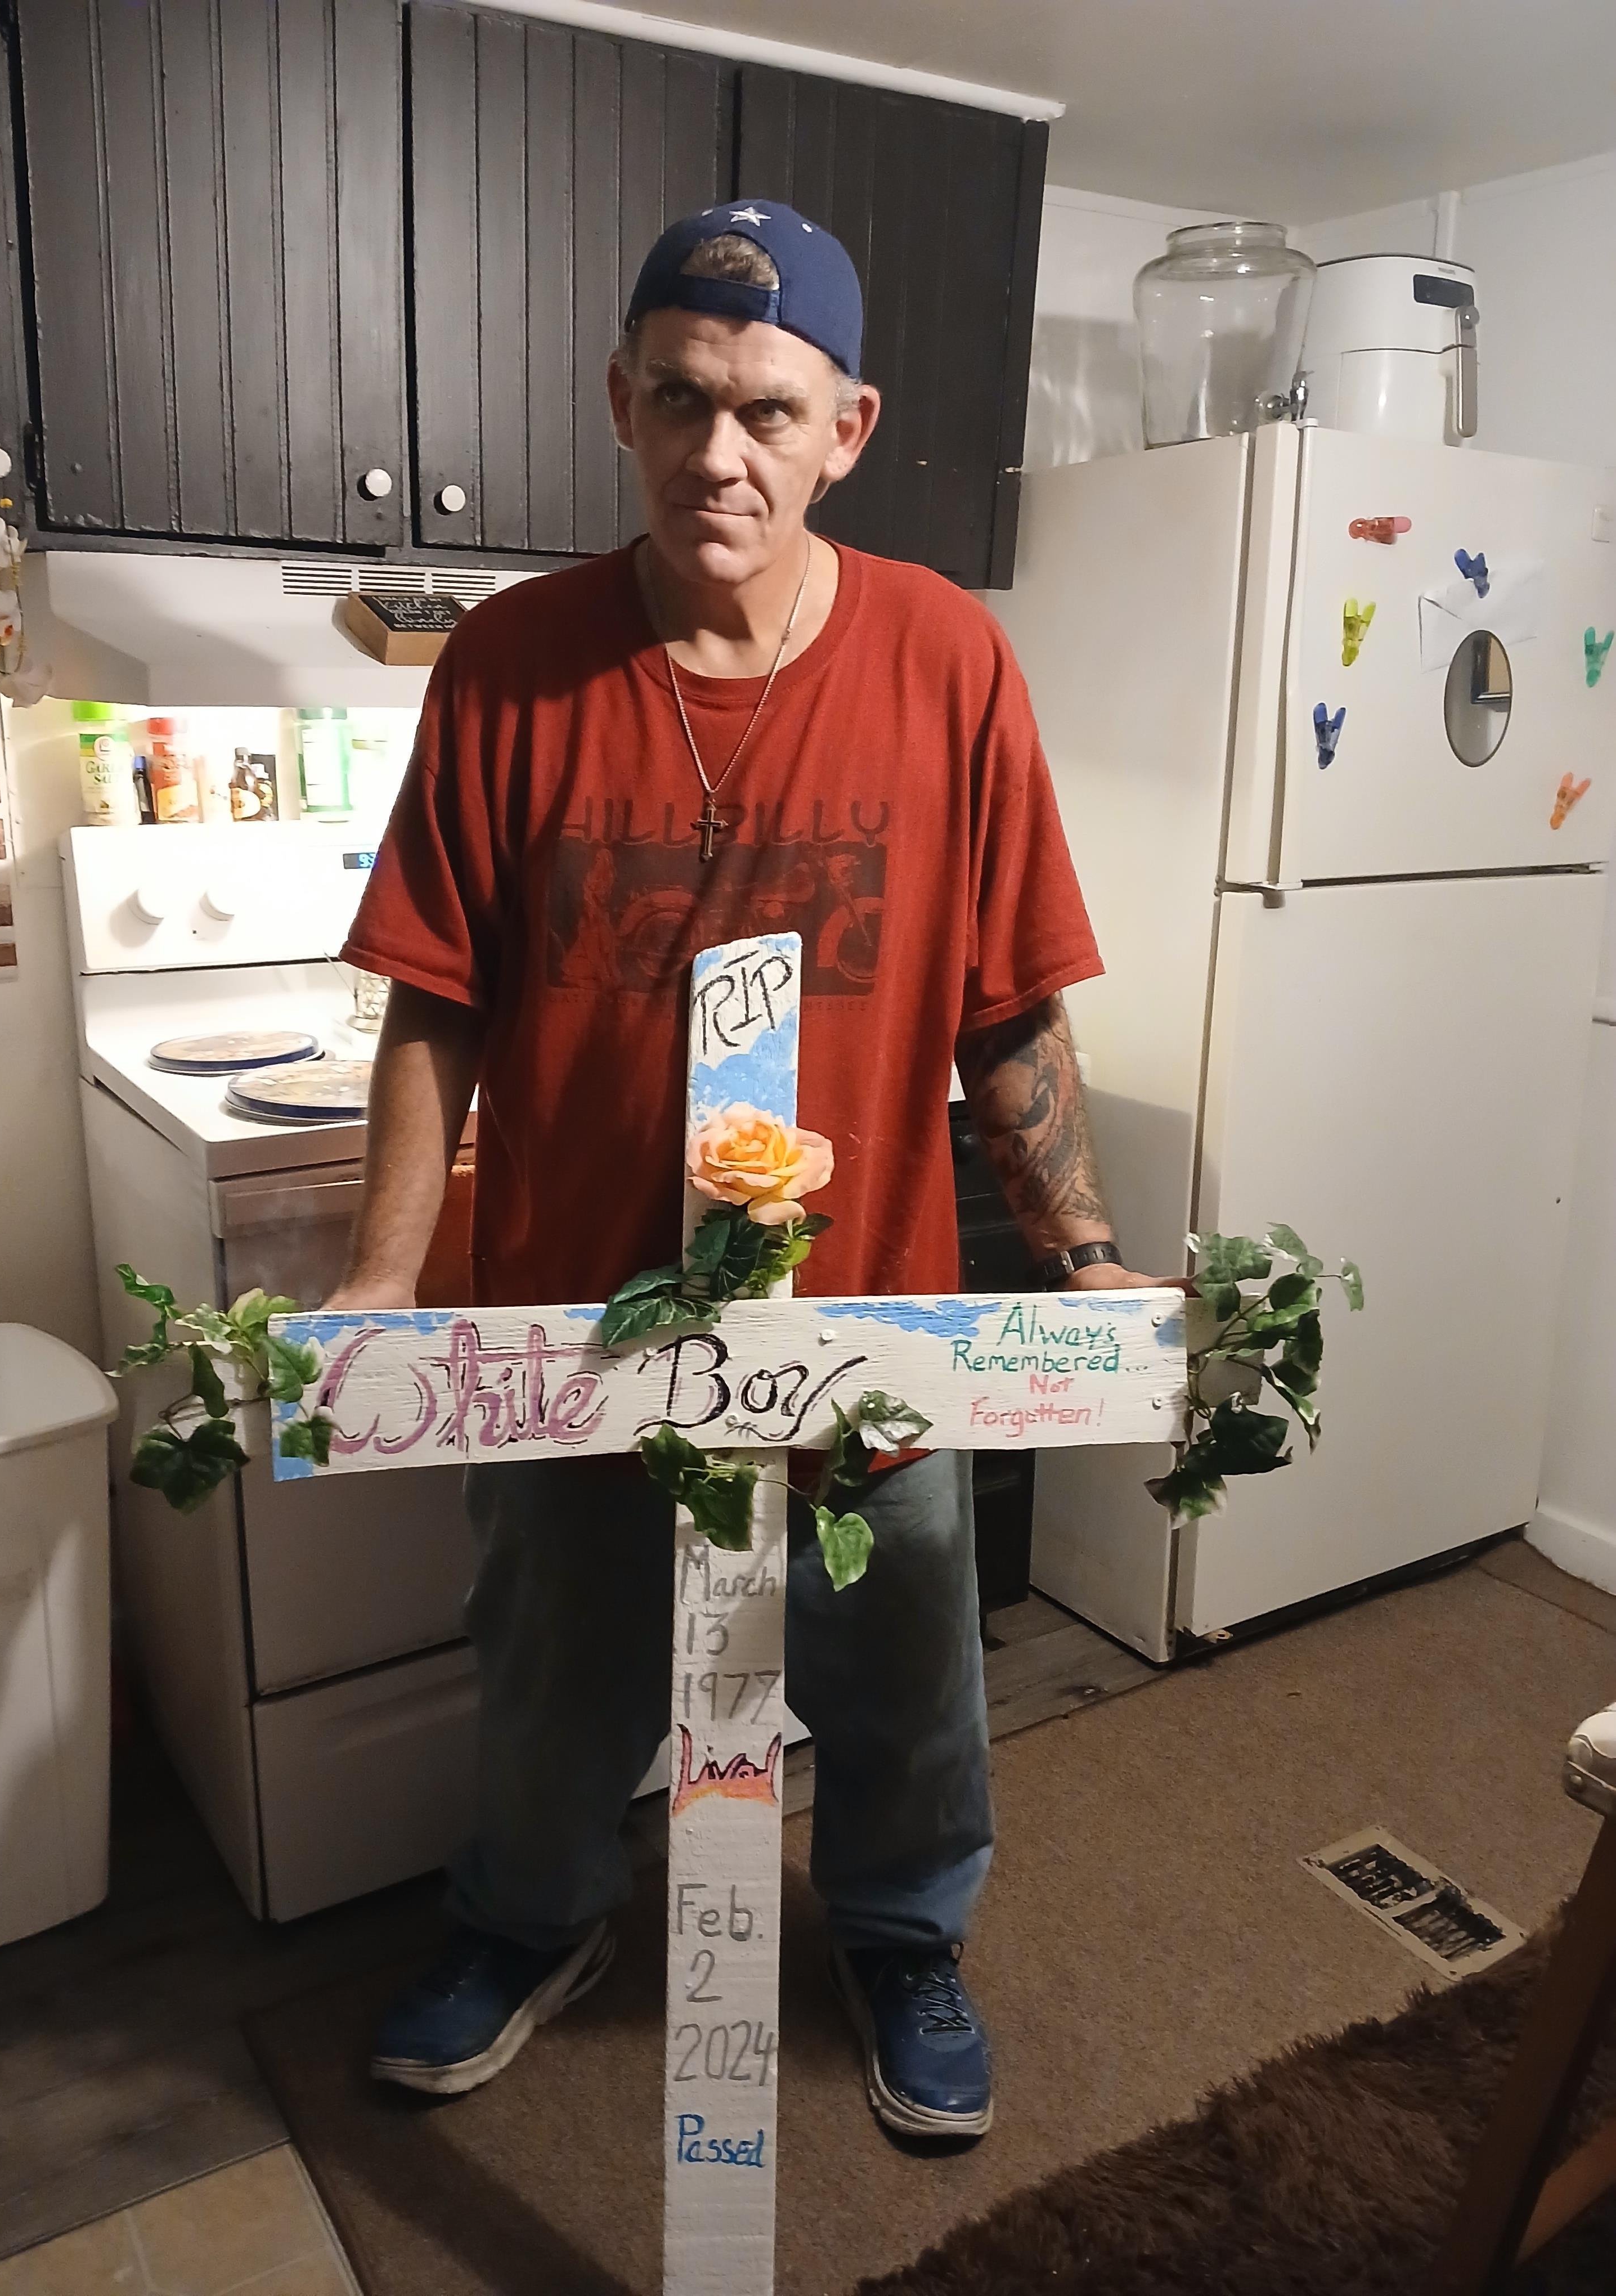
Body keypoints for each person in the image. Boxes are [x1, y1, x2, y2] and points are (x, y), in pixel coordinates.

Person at [329, 199, 1160, 2141]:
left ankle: (896, 1930)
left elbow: (1010, 997)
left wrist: (1087, 1249)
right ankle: (531, 1919)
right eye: (683, 401)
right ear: (619, 400)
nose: (722, 452)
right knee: (556, 1654)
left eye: (769, 413)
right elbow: (433, 1000)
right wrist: (379, 1287)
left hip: (866, 1310)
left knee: (905, 1646)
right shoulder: (511, 667)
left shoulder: (948, 660)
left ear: (846, 429)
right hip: (575, 1314)